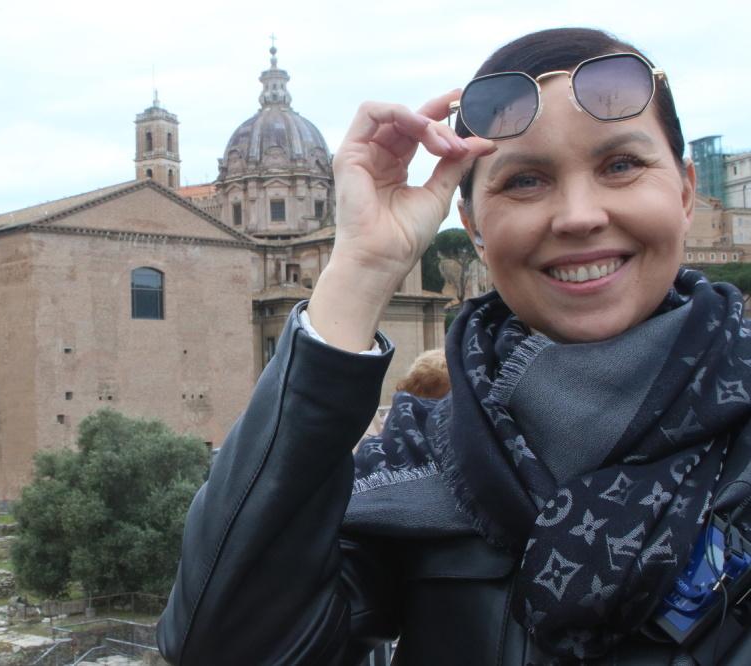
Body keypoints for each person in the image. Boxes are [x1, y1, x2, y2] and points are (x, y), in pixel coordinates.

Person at [157, 27, 751, 664]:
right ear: (471, 228)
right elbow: (226, 647)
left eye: (621, 165)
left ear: (685, 192)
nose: (579, 215)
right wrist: (358, 270)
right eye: (525, 180)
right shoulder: (415, 459)